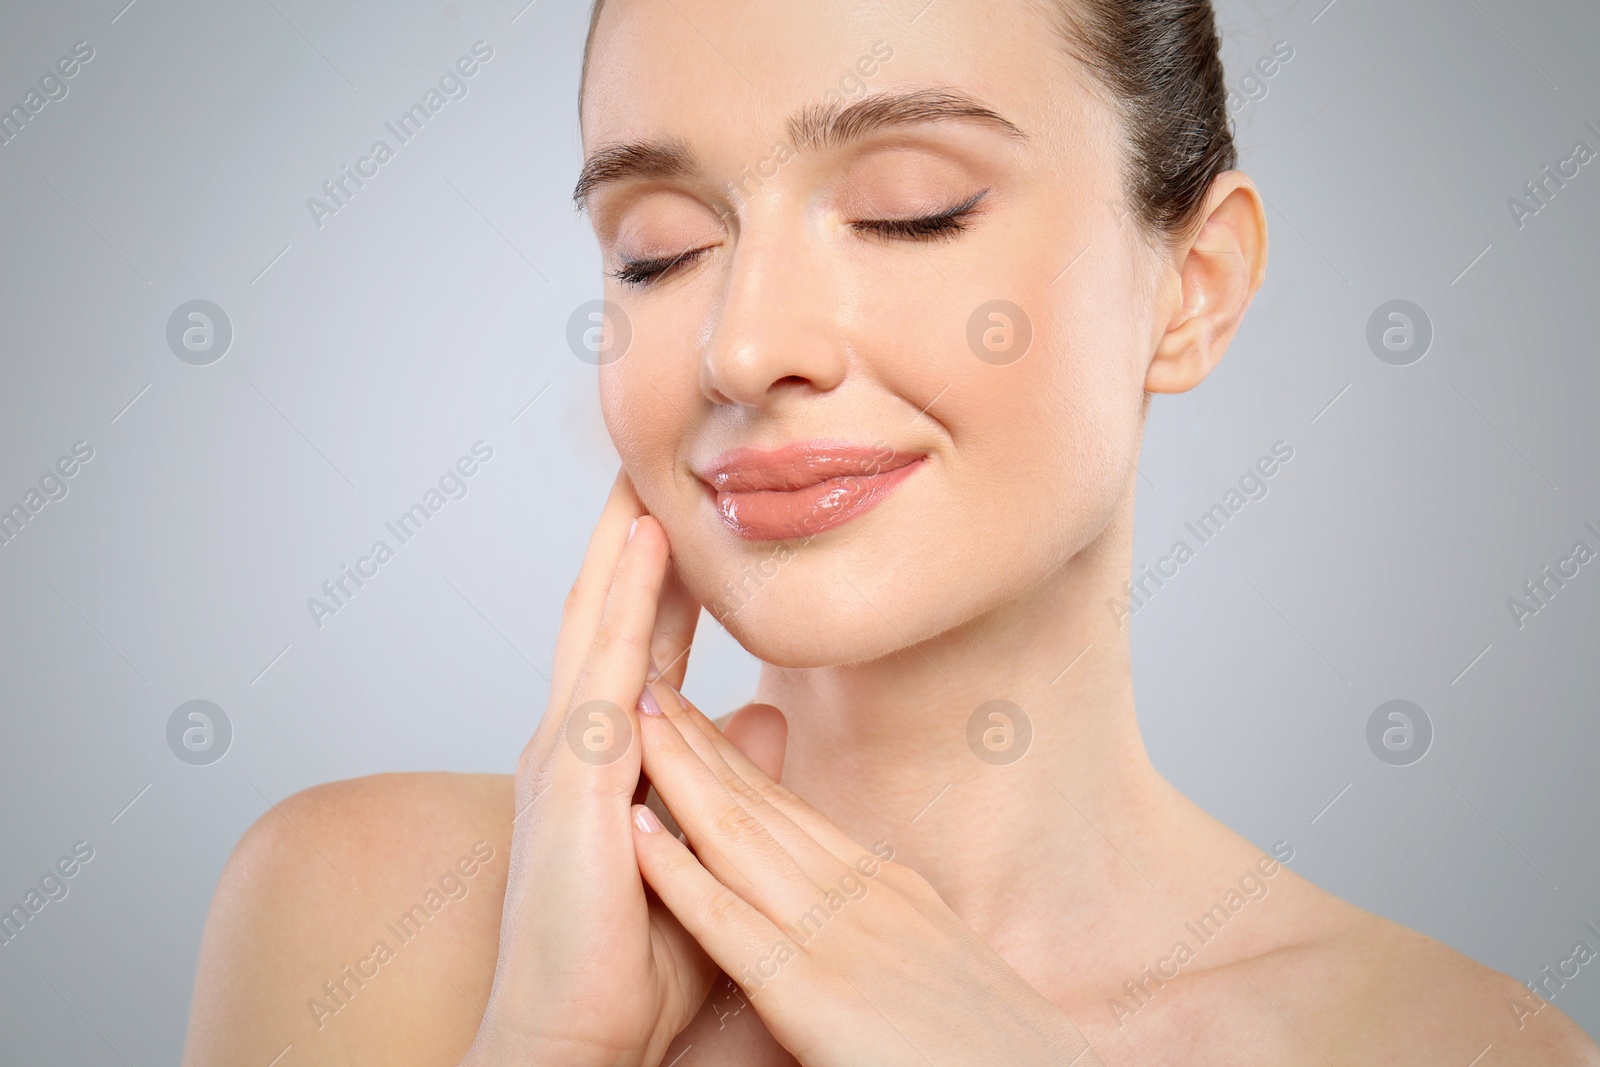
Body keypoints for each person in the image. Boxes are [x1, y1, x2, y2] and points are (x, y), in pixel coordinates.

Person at [182, 0, 1600, 1063]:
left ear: (1195, 288)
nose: (743, 345)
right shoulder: (367, 920)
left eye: (907, 211)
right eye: (659, 247)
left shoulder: (1461, 1048)